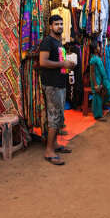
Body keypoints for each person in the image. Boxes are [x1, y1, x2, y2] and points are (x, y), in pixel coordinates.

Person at [39, 15, 76, 165]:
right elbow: (43, 62)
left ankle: (54, 145)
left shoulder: (58, 42)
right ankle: (49, 151)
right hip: (52, 84)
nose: (59, 26)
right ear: (50, 26)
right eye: (56, 24)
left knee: (59, 116)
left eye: (61, 24)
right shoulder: (48, 41)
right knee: (54, 116)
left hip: (59, 83)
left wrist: (68, 65)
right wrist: (63, 64)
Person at [89, 40, 110, 120]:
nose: (100, 47)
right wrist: (95, 84)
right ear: (95, 49)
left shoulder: (98, 57)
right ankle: (97, 115)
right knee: (97, 96)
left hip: (101, 79)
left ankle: (101, 108)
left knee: (107, 92)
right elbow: (92, 73)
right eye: (98, 46)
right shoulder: (93, 59)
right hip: (96, 80)